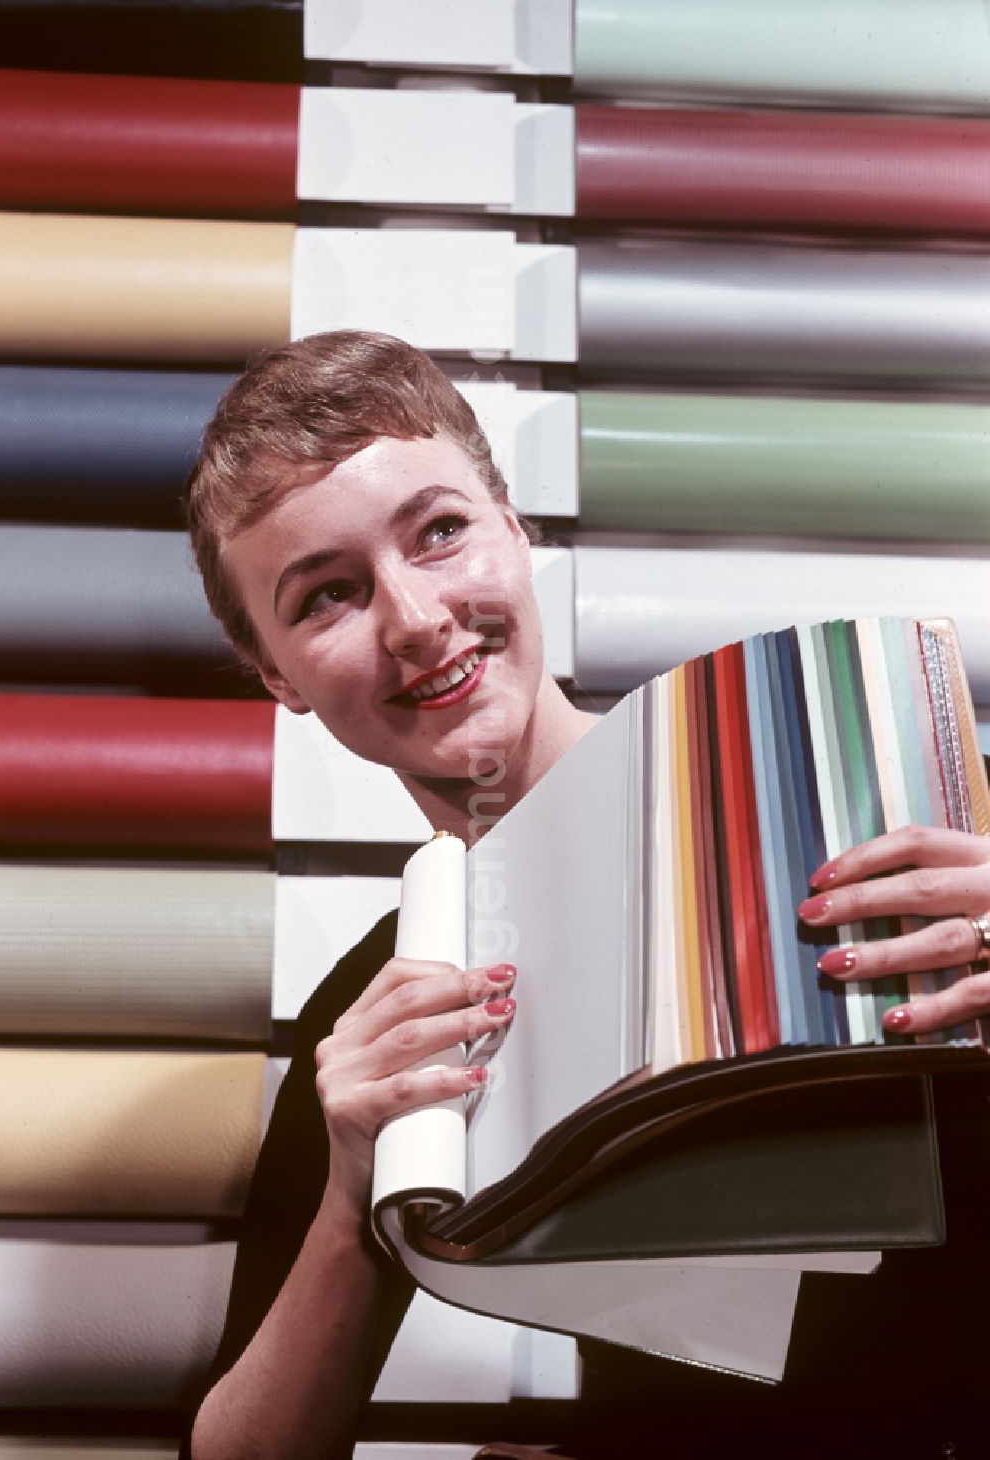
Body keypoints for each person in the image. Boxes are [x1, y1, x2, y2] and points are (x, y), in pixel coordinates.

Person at [181, 330, 990, 1460]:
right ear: (280, 677)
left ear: (514, 530)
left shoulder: (868, 790)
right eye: (327, 594)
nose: (414, 618)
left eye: (442, 530)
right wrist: (355, 1195)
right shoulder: (385, 1012)